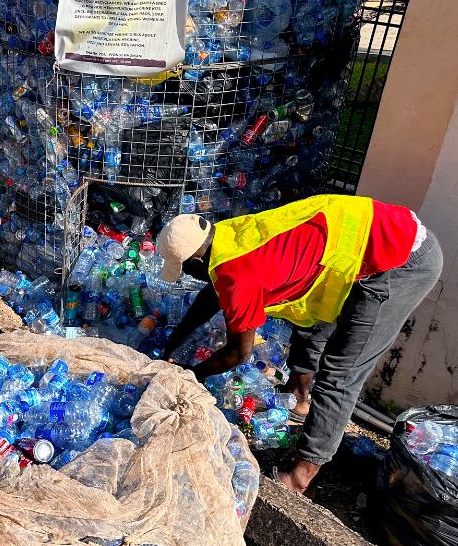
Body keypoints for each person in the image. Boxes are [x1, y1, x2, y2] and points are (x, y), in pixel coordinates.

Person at [157, 195, 442, 494]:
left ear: (197, 260)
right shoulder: (225, 235)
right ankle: (299, 399)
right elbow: (213, 293)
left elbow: (239, 354)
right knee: (311, 324)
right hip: (359, 243)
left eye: (186, 270)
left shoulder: (238, 277)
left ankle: (300, 475)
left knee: (340, 373)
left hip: (400, 259)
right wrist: (175, 342)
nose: (192, 277)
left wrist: (193, 373)